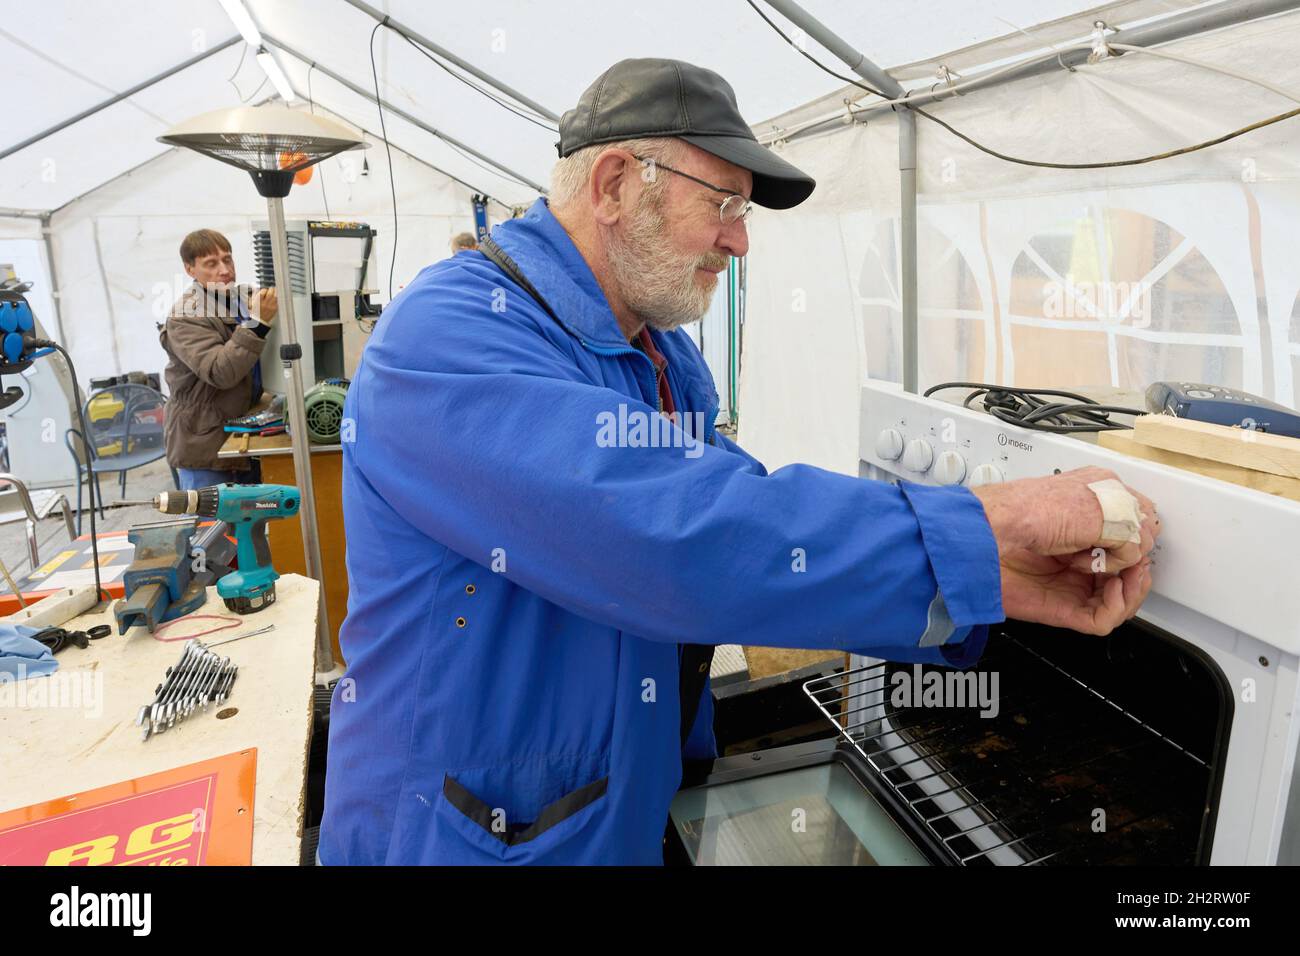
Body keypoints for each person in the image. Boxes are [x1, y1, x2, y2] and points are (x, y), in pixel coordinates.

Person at [319, 58, 1159, 865]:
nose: (740, 242)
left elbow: (754, 538)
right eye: (723, 203)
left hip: (614, 806)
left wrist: (985, 585)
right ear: (615, 184)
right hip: (460, 836)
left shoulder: (661, 354)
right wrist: (997, 523)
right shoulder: (448, 341)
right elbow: (674, 540)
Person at [160, 229, 275, 491]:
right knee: (213, 529)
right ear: (190, 270)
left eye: (227, 259)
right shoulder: (185, 316)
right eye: (211, 264)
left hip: (241, 433)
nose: (224, 270)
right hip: (204, 445)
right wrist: (258, 324)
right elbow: (220, 372)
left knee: (250, 525)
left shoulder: (244, 299)